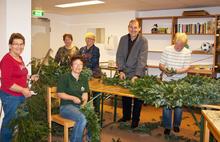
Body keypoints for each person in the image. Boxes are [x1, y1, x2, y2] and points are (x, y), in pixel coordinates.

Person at [0, 33, 39, 141]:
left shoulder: (19, 57)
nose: (19, 47)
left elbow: (20, 74)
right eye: (16, 44)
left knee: (23, 122)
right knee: (10, 124)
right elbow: (7, 83)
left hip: (21, 95)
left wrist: (30, 77)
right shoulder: (7, 60)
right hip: (11, 96)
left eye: (21, 44)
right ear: (10, 45)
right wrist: (23, 89)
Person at [116, 19, 148, 128]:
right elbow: (119, 55)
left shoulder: (143, 41)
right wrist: (120, 70)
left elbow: (142, 59)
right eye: (131, 27)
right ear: (128, 28)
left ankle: (135, 120)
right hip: (125, 72)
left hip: (137, 73)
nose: (133, 29)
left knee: (138, 98)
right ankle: (126, 116)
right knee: (125, 97)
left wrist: (137, 75)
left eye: (135, 27)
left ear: (139, 29)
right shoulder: (123, 39)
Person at [159, 32, 191, 135]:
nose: (179, 47)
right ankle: (167, 126)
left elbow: (186, 68)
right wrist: (166, 70)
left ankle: (176, 125)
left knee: (178, 105)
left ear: (185, 44)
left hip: (180, 81)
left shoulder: (187, 52)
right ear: (174, 41)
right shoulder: (167, 49)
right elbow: (161, 65)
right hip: (167, 81)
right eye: (178, 44)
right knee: (167, 104)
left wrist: (175, 72)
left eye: (181, 45)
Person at [57, 55, 90, 142]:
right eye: (76, 64)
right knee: (82, 118)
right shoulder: (64, 77)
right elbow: (60, 93)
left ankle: (91, 139)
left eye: (80, 64)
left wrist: (84, 104)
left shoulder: (84, 78)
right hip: (66, 107)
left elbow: (85, 95)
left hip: (79, 107)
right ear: (71, 66)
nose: (78, 66)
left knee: (92, 117)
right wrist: (73, 98)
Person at [79, 32, 101, 114]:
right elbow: (78, 59)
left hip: (95, 74)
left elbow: (94, 62)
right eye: (87, 38)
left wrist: (83, 67)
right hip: (84, 74)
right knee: (85, 92)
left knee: (96, 94)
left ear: (94, 40)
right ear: (85, 39)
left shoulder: (96, 50)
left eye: (91, 39)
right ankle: (86, 110)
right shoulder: (82, 49)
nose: (89, 40)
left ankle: (97, 113)